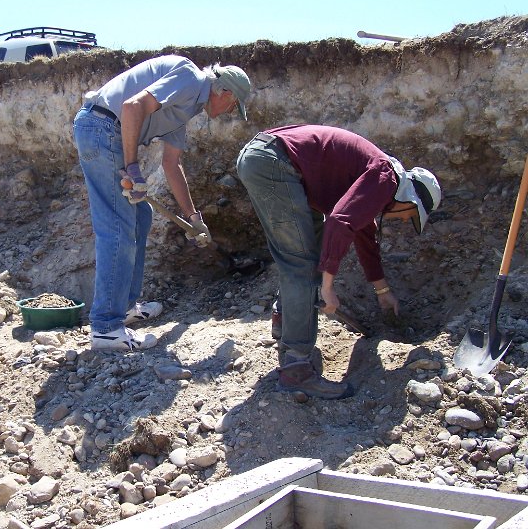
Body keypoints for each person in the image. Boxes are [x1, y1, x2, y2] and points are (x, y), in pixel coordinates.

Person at [236, 125, 441, 399]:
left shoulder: (376, 175)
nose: (404, 220)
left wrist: (383, 292)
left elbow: (363, 235)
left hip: (266, 158)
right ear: (410, 199)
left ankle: (285, 321)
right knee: (302, 265)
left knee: (309, 243)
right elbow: (340, 222)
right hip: (275, 164)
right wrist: (327, 286)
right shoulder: (385, 177)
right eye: (410, 215)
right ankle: (296, 369)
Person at [74, 55, 251, 351]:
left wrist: (194, 218)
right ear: (226, 93)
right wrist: (132, 167)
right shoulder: (190, 78)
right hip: (101, 127)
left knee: (140, 216)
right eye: (234, 105)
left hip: (106, 130)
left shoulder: (189, 106)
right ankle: (106, 327)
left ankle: (125, 306)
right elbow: (132, 107)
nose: (230, 111)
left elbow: (172, 164)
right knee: (118, 226)